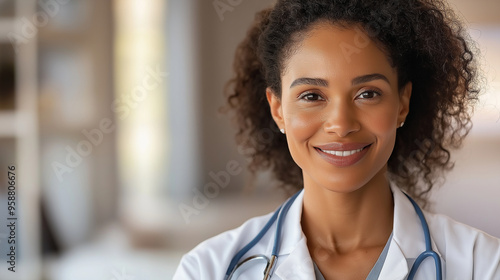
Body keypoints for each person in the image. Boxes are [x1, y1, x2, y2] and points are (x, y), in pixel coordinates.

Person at [174, 0, 500, 279]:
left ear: (403, 104)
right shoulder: (209, 269)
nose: (341, 125)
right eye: (312, 95)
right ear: (277, 110)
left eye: (367, 93)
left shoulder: (482, 264)